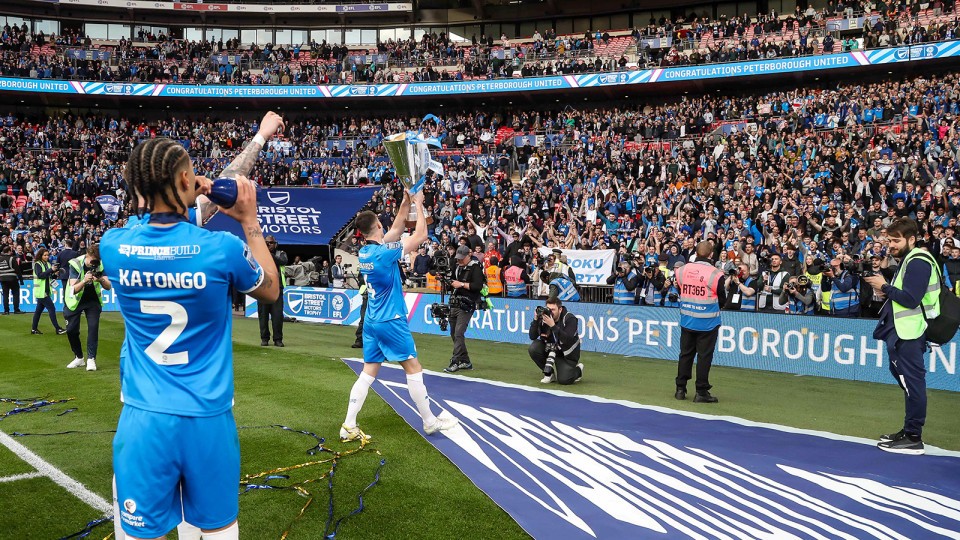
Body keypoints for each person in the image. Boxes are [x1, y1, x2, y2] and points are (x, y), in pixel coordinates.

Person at [101, 134, 280, 539]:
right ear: (185, 179)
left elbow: (153, 224)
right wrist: (249, 221)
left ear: (134, 185)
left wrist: (181, 190)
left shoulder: (114, 246)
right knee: (218, 533)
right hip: (208, 419)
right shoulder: (219, 248)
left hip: (144, 419)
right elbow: (270, 289)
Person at [341, 191, 458, 443]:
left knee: (368, 372)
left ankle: (348, 425)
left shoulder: (366, 252)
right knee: (413, 368)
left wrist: (405, 201)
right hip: (391, 319)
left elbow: (395, 229)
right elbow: (421, 236)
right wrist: (418, 204)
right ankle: (429, 421)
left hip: (372, 320)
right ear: (377, 227)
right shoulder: (384, 253)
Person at [864, 218, 939, 455]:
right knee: (907, 382)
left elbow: (910, 299)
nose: (891, 245)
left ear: (911, 239)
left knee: (913, 383)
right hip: (904, 331)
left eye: (896, 240)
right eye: (889, 240)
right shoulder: (909, 260)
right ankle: (908, 431)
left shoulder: (918, 261)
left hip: (911, 331)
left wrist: (884, 286)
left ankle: (914, 437)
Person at [674, 241, 727, 403]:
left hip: (687, 319)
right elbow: (722, 299)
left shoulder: (682, 270)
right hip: (707, 322)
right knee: (704, 357)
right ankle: (701, 392)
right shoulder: (716, 274)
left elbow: (680, 289)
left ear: (696, 252)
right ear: (711, 255)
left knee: (685, 354)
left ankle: (680, 389)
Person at [63, 243, 111, 371]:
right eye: (92, 261)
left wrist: (100, 279)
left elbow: (108, 286)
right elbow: (73, 289)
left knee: (93, 328)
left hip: (92, 300)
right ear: (87, 255)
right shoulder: (75, 263)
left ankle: (91, 359)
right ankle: (79, 357)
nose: (94, 264)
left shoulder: (101, 264)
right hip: (75, 300)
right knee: (71, 331)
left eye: (97, 261)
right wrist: (84, 280)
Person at [444, 244, 485, 373]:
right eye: (458, 257)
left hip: (467, 304)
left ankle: (455, 361)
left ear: (469, 255)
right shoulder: (457, 266)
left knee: (458, 333)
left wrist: (461, 284)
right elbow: (453, 283)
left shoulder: (476, 267)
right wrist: (447, 281)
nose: (459, 260)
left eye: (462, 258)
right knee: (453, 333)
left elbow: (478, 286)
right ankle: (465, 360)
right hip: (455, 302)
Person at [528, 297, 583, 384]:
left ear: (560, 309)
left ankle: (578, 371)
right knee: (534, 348)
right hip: (551, 348)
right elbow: (532, 336)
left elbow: (567, 339)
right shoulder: (544, 317)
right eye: (548, 309)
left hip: (566, 354)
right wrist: (535, 319)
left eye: (553, 309)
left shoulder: (569, 319)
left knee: (564, 380)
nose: (550, 312)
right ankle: (550, 374)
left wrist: (553, 326)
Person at [258, 235, 287, 347]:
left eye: (270, 243)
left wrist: (269, 255)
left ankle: (278, 339)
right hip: (263, 289)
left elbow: (283, 261)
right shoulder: (259, 254)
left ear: (275, 244)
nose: (268, 245)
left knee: (277, 316)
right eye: (266, 243)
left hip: (276, 290)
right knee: (263, 316)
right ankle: (264, 338)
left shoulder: (281, 253)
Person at [31, 248, 65, 335]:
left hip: (44, 291)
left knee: (38, 311)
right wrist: (51, 270)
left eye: (47, 255)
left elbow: (49, 276)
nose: (46, 257)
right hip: (41, 291)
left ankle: (34, 329)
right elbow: (40, 275)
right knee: (51, 308)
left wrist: (55, 274)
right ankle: (57, 328)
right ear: (40, 255)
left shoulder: (48, 264)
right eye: (45, 255)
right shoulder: (38, 264)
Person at [0, 245, 23, 314]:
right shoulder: (12, 258)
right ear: (9, 251)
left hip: (3, 279)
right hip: (12, 278)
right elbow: (17, 270)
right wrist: (21, 280)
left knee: (5, 295)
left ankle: (6, 310)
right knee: (15, 294)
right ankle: (16, 309)